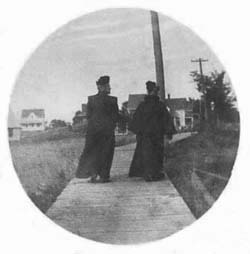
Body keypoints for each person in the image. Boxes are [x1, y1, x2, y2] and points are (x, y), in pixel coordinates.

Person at [128, 81, 176, 182]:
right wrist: (169, 133)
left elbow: (135, 122)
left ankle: (147, 174)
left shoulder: (142, 106)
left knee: (146, 154)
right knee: (156, 154)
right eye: (156, 91)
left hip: (145, 136)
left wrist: (138, 132)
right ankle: (154, 173)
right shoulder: (160, 105)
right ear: (154, 91)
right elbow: (167, 120)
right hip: (156, 136)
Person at [75, 75, 120, 183]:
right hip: (107, 131)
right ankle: (104, 176)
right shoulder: (113, 100)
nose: (110, 88)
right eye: (108, 86)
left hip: (93, 131)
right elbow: (116, 116)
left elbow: (89, 116)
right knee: (106, 152)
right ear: (102, 87)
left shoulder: (91, 99)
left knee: (93, 152)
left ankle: (94, 173)